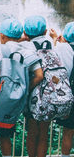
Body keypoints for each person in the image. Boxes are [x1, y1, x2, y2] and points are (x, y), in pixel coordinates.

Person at [0, 18, 42, 157]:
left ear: (2, 35)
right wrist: (25, 91)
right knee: (5, 139)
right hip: (12, 105)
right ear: (19, 35)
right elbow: (39, 75)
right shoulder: (26, 52)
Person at [21, 15, 49, 157]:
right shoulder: (51, 44)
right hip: (50, 94)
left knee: (32, 132)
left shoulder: (26, 46)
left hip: (33, 96)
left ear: (25, 33)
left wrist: (26, 91)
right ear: (45, 31)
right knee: (44, 133)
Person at [49, 22, 74, 157]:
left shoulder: (63, 49)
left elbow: (51, 60)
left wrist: (55, 40)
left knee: (68, 132)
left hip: (70, 96)